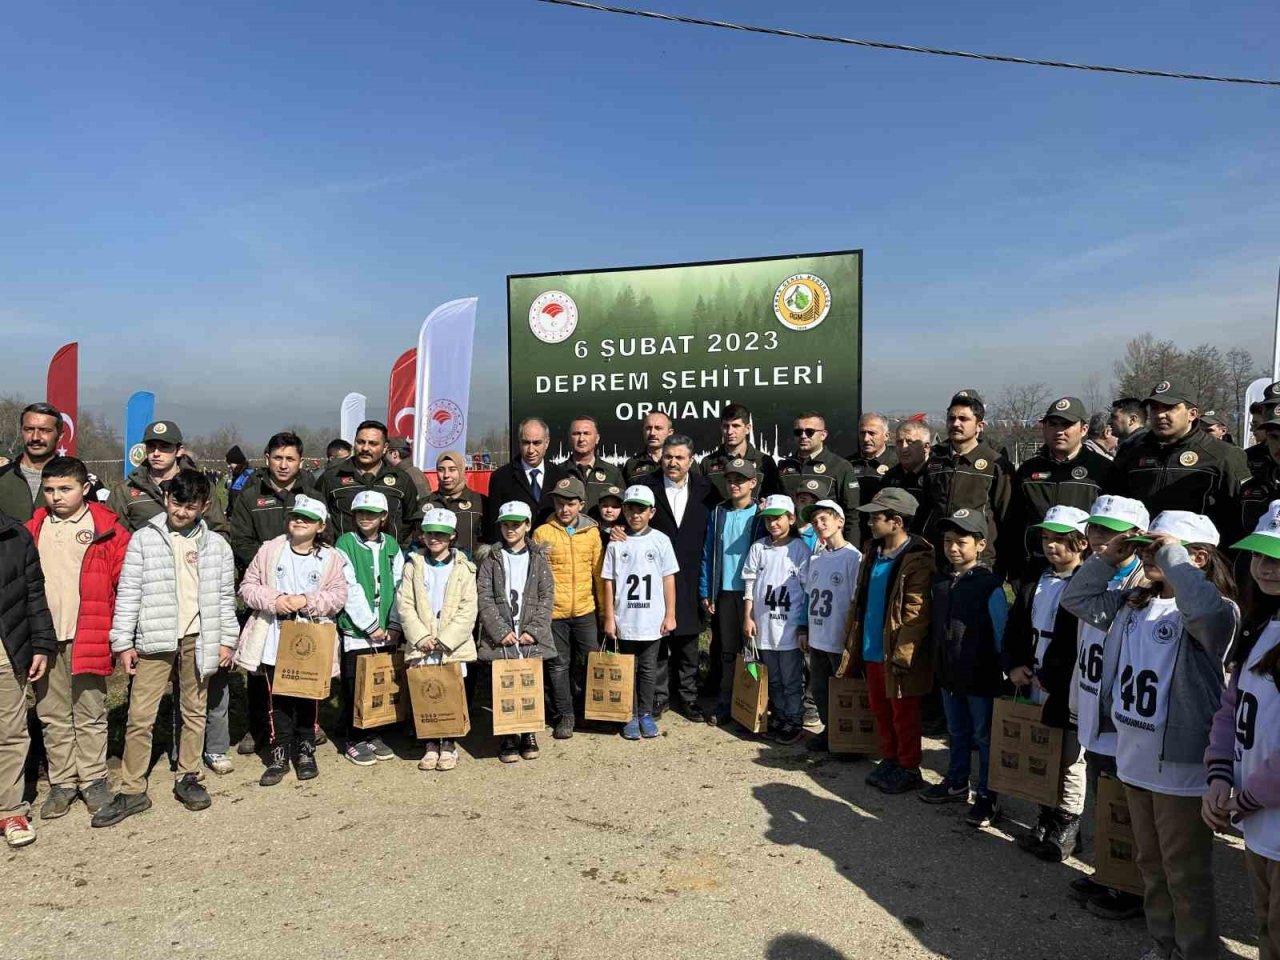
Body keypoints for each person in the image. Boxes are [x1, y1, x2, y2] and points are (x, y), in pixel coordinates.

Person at [1062, 510, 1238, 960]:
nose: (1148, 556)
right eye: (1145, 549)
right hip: (1135, 757)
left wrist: (1172, 556)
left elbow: (1205, 612)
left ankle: (1196, 952)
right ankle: (1163, 945)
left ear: (1198, 558)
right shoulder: (1133, 602)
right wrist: (1109, 557)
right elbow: (1077, 599)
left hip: (1180, 767)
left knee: (1185, 872)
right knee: (1151, 864)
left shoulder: (1217, 612)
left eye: (1157, 548)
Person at [94, 470, 239, 827]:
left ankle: (189, 775)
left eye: (191, 506)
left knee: (194, 710)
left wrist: (226, 640)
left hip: (198, 638)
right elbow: (129, 592)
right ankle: (132, 789)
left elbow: (225, 597)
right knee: (140, 716)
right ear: (166, 498)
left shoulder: (217, 546)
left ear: (204, 506)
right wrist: (123, 642)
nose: (181, 512)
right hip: (154, 638)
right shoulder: (144, 539)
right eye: (177, 503)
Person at [25, 457, 129, 822]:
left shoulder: (108, 530)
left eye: (65, 489)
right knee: (52, 713)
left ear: (85, 488)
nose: (56, 497)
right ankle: (63, 782)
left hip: (89, 633)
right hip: (45, 638)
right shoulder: (33, 529)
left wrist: (121, 633)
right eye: (49, 490)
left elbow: (125, 584)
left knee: (90, 710)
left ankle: (94, 779)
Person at [1067, 494, 1149, 921]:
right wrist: (1103, 560)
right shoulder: (1098, 571)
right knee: (1104, 797)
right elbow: (1074, 600)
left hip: (1127, 713)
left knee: (1128, 806)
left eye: (1113, 533)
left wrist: (1112, 558)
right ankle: (1108, 870)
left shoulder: (1144, 581)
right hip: (1094, 700)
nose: (1102, 539)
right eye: (1096, 529)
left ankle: (1132, 885)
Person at [1206, 501, 1280, 960]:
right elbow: (1231, 708)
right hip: (1256, 818)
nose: (1267, 567)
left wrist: (1249, 796)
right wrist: (1219, 776)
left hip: (1261, 807)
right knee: (1265, 925)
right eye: (1260, 554)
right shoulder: (1262, 625)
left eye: (1279, 558)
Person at [234, 495, 347, 787]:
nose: (300, 522)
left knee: (308, 697)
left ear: (321, 526)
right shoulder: (271, 550)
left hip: (311, 638)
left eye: (308, 519)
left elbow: (338, 596)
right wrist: (276, 600)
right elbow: (248, 587)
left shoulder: (331, 558)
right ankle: (280, 753)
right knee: (278, 700)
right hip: (274, 636)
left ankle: (305, 750)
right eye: (296, 516)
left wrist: (306, 600)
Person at [1005, 505, 1091, 861]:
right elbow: (1016, 625)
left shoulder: (1087, 584)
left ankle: (1067, 822)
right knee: (1042, 747)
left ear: (1081, 543)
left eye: (1059, 539)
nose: (1050, 546)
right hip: (1033, 678)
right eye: (1045, 538)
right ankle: (1045, 813)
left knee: (1070, 757)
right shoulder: (1036, 577)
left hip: (1067, 685)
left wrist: (1054, 675)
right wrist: (1014, 663)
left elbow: (1078, 642)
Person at [227, 430, 318, 757]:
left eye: (290, 458)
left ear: (300, 462)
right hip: (265, 594)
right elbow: (240, 540)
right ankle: (260, 728)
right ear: (267, 459)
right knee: (260, 667)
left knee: (304, 660)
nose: (283, 464)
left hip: (304, 596)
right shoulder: (250, 497)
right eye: (277, 458)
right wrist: (272, 569)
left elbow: (325, 538)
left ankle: (306, 726)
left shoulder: (312, 495)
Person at [846, 488, 935, 795]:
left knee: (903, 713)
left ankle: (909, 766)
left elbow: (915, 612)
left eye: (876, 517)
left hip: (897, 651)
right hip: (872, 646)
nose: (869, 522)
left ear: (896, 522)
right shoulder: (873, 551)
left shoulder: (918, 558)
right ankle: (890, 758)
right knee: (880, 709)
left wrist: (904, 653)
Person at [923, 505, 1008, 827]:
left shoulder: (989, 585)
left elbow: (1000, 632)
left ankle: (988, 794)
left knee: (983, 736)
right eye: (948, 542)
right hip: (948, 674)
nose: (953, 548)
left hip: (981, 676)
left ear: (980, 545)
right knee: (956, 730)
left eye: (961, 542)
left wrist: (1004, 667)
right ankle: (957, 782)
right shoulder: (940, 582)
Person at [1109, 379, 1249, 543]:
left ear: (1192, 414)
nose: (1160, 415)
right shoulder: (1132, 452)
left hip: (1195, 553)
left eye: (1169, 408)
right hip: (1142, 550)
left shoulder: (1223, 454)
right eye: (1154, 408)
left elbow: (1237, 518)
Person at [640, 434, 715, 721]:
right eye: (668, 456)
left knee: (688, 643)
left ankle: (688, 697)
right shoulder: (646, 486)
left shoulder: (707, 489)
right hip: (654, 576)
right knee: (658, 639)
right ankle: (659, 697)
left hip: (691, 574)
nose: (673, 462)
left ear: (690, 460)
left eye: (679, 457)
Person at [397, 508, 478, 773]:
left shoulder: (464, 568)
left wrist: (445, 639)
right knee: (426, 692)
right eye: (430, 533)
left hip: (451, 645)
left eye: (441, 534)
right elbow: (405, 604)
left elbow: (468, 609)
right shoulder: (413, 565)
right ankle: (430, 743)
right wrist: (420, 636)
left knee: (452, 692)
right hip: (423, 643)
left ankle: (449, 743)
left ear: (452, 536)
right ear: (423, 535)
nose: (435, 538)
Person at [476, 501, 555, 763]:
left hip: (529, 632)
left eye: (516, 524)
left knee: (530, 683)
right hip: (504, 633)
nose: (511, 529)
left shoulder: (538, 558)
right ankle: (508, 735)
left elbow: (547, 595)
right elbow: (484, 596)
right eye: (506, 525)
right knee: (505, 685)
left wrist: (534, 629)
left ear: (527, 525)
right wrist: (499, 630)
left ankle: (529, 732)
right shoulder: (491, 559)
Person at [601, 485, 679, 741]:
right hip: (624, 619)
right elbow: (609, 581)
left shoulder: (661, 540)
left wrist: (670, 614)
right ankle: (629, 714)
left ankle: (645, 712)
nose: (636, 515)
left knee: (648, 668)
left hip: (651, 619)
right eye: (631, 509)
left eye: (641, 510)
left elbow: (668, 579)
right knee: (626, 668)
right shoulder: (616, 543)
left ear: (651, 512)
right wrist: (609, 617)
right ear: (624, 511)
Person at [1007, 397, 1112, 582]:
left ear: (1084, 429)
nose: (1059, 431)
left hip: (1087, 570)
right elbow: (1014, 523)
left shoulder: (1102, 470)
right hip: (1035, 571)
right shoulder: (1028, 471)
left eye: (1067, 425)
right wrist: (1016, 572)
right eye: (1053, 424)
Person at [334, 491, 405, 767]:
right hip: (358, 631)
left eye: (372, 514)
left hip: (387, 630)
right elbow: (348, 586)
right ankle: (354, 737)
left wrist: (395, 623)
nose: (366, 518)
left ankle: (374, 732)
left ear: (383, 517)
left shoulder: (391, 545)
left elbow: (400, 585)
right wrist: (369, 624)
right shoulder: (345, 543)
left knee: (379, 683)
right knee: (355, 684)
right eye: (361, 513)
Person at [530, 476, 603, 739]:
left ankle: (586, 710)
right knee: (558, 665)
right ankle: (565, 714)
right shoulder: (542, 533)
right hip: (554, 613)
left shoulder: (592, 533)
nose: (564, 509)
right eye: (559, 503)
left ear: (581, 504)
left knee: (588, 661)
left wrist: (604, 611)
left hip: (585, 610)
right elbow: (536, 578)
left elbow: (598, 574)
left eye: (570, 504)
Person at [0, 502, 54, 847]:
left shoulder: (15, 535)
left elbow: (34, 593)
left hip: (6, 653)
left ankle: (10, 810)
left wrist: (41, 644)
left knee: (10, 733)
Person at [700, 458, 767, 724]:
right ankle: (726, 701)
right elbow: (708, 552)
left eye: (740, 480)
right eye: (730, 480)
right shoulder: (718, 512)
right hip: (726, 591)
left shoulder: (762, 514)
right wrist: (707, 590)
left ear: (753, 483)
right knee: (728, 650)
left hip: (753, 593)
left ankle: (753, 703)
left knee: (752, 649)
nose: (734, 485)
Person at [742, 495, 811, 744]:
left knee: (791, 678)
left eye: (778, 518)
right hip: (764, 626)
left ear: (791, 519)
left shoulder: (800, 550)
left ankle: (794, 718)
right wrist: (748, 616)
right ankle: (779, 714)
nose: (773, 524)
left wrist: (802, 626)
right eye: (768, 519)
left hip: (788, 628)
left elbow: (807, 589)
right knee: (773, 677)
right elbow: (749, 584)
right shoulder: (758, 548)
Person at [919, 391, 1013, 572]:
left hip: (978, 560)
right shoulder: (935, 462)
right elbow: (926, 508)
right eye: (951, 418)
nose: (956, 424)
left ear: (979, 426)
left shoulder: (995, 464)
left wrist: (1003, 563)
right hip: (938, 557)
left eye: (963, 419)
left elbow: (1006, 517)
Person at [799, 500, 862, 751]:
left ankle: (847, 739)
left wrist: (852, 636)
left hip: (839, 638)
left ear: (840, 521)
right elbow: (808, 596)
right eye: (814, 521)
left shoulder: (853, 558)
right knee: (820, 689)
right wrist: (804, 628)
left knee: (843, 691)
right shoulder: (815, 559)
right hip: (818, 637)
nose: (819, 524)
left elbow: (857, 600)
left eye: (824, 518)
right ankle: (829, 732)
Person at [107, 421, 229, 534]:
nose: (156, 453)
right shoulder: (125, 491)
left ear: (179, 451)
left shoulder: (200, 487)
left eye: (164, 447)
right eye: (151, 446)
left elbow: (219, 531)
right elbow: (112, 537)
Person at [317, 420, 420, 545]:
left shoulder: (401, 479)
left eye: (373, 443)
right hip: (344, 554)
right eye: (360, 442)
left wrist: (393, 542)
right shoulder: (332, 477)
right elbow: (317, 516)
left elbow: (410, 518)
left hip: (387, 554)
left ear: (385, 447)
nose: (365, 448)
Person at [778, 412, 861, 541]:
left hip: (825, 543)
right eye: (798, 432)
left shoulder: (840, 466)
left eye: (809, 432)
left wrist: (850, 548)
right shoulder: (784, 466)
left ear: (823, 435)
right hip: (790, 543)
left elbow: (852, 514)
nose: (803, 436)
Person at [484, 418, 568, 539]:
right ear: (519, 442)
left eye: (537, 443)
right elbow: (494, 523)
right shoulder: (501, 477)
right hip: (516, 547)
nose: (530, 450)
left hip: (553, 546)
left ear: (547, 443)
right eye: (526, 443)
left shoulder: (560, 475)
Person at [698, 402, 781, 501]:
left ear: (747, 429)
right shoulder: (707, 463)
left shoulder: (764, 462)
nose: (730, 432)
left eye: (736, 426)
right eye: (726, 426)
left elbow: (774, 499)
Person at [0, 402, 64, 522]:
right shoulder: (2, 475)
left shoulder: (78, 481)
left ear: (60, 435)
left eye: (44, 430)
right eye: (29, 430)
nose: (35, 437)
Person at [428, 449, 486, 560]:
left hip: (471, 567)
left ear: (462, 470)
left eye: (452, 470)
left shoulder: (480, 502)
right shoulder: (426, 503)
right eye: (441, 470)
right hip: (434, 567)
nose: (446, 475)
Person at [559, 416, 625, 509]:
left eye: (586, 433)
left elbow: (623, 507)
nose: (581, 439)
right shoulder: (558, 472)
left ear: (597, 438)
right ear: (569, 438)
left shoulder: (613, 473)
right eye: (576, 434)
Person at [847, 413, 896, 537]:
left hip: (885, 534)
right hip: (854, 532)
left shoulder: (897, 464)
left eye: (872, 433)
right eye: (862, 433)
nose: (866, 439)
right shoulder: (846, 464)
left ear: (886, 436)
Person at [883, 419, 932, 534]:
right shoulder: (889, 478)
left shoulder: (937, 476)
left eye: (910, 442)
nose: (903, 448)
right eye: (899, 442)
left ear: (926, 447)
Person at [623, 411, 673, 483]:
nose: (652, 433)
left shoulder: (680, 462)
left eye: (658, 428)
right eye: (648, 428)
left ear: (670, 433)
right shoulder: (632, 464)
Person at [224, 445, 255, 517]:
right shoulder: (236, 476)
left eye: (230, 463)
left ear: (237, 462)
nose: (228, 466)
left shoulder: (249, 476)